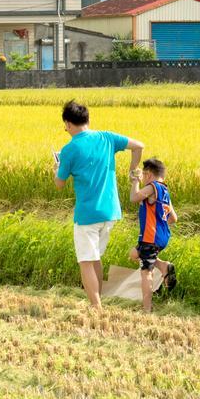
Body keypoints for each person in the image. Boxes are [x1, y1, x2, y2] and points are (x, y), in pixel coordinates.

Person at [54, 100, 144, 310]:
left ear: (67, 124)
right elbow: (139, 146)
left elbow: (59, 184)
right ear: (88, 119)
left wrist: (56, 167)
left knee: (86, 261)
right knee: (95, 258)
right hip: (110, 211)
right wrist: (133, 170)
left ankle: (96, 306)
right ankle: (99, 299)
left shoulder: (69, 149)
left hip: (87, 214)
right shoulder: (107, 137)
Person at [128, 158, 178, 313]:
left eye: (143, 174)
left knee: (146, 273)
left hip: (150, 238)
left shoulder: (152, 187)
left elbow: (134, 198)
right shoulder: (165, 191)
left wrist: (135, 181)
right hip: (161, 237)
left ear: (148, 174)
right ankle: (163, 266)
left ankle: (147, 311)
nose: (143, 177)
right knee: (134, 254)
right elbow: (173, 218)